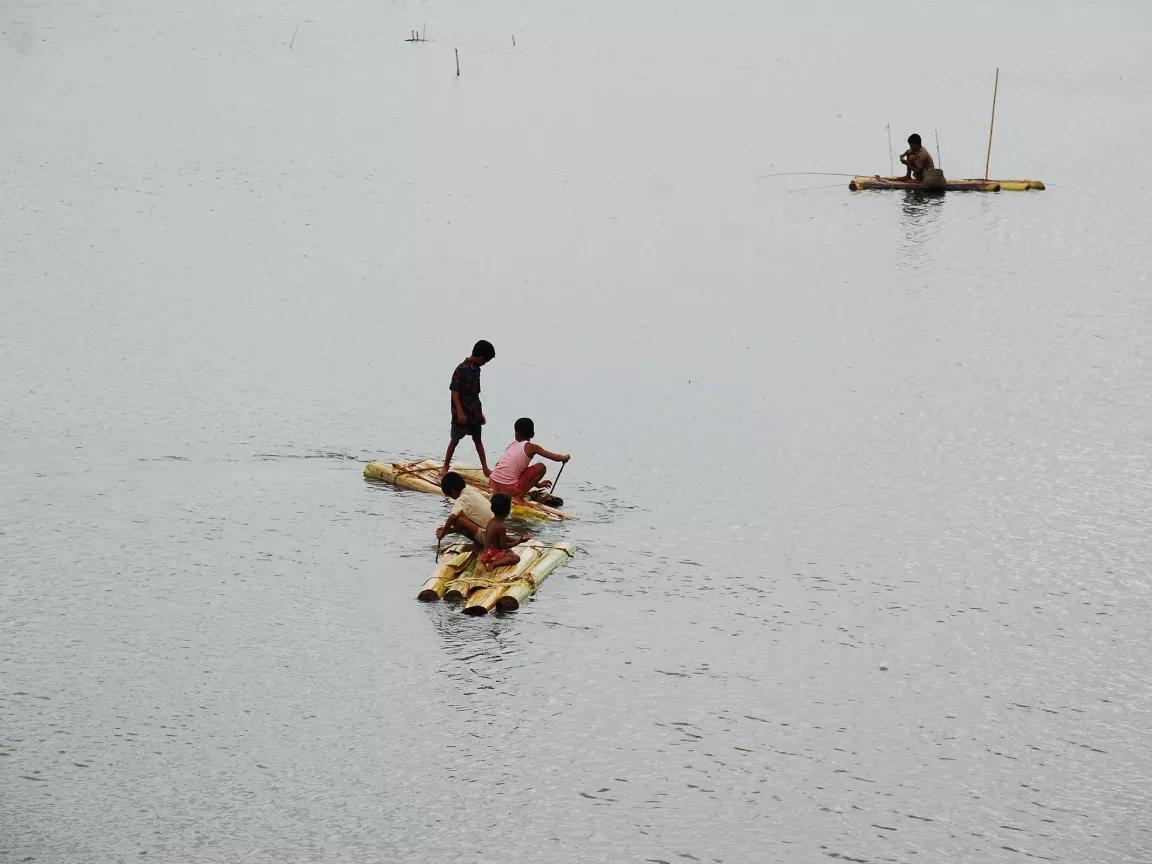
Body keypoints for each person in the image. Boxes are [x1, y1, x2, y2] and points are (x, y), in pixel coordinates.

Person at [441, 340, 495, 477]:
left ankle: (485, 468)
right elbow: (455, 391)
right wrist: (460, 412)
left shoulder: (477, 369)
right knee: (454, 440)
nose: (484, 364)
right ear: (481, 358)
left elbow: (476, 393)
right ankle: (445, 466)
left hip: (474, 412)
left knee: (478, 440)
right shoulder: (461, 369)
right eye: (485, 362)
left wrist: (480, 413)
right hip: (461, 413)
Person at [488, 417, 570, 499]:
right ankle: (519, 497)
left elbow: (500, 465)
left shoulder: (512, 445)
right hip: (509, 489)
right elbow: (554, 457)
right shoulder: (532, 447)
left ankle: (506, 490)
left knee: (515, 469)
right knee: (541, 467)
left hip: (492, 484)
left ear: (516, 433)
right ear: (533, 434)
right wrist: (564, 457)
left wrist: (538, 485)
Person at [435, 472, 492, 549]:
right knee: (462, 517)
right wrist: (448, 530)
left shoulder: (462, 499)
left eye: (450, 495)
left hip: (489, 538)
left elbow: (452, 517)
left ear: (453, 492)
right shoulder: (470, 491)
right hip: (494, 533)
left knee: (458, 520)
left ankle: (479, 545)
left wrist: (443, 533)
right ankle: (478, 543)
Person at [480, 493, 529, 569]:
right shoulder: (501, 527)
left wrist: (518, 539)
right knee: (516, 558)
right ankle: (494, 564)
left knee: (509, 551)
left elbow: (503, 537)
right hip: (491, 556)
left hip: (486, 553)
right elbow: (504, 545)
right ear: (507, 510)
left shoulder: (492, 521)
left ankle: (494, 560)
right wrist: (518, 542)